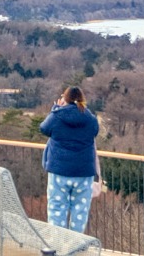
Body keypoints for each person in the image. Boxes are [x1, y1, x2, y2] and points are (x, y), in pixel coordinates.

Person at [40, 86, 100, 233]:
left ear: (64, 98)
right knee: (80, 212)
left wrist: (56, 108)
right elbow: (95, 131)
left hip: (59, 171)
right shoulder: (90, 118)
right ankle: (75, 246)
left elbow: (44, 128)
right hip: (84, 173)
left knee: (57, 209)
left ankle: (58, 245)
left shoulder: (57, 115)